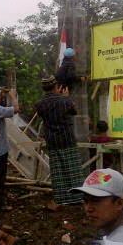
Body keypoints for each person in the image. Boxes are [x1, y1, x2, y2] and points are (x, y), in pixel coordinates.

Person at [34, 76, 82, 210]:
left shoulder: (40, 104)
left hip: (52, 141)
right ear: (56, 87)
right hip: (67, 139)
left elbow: (43, 117)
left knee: (58, 171)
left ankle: (61, 198)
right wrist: (66, 97)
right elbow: (74, 111)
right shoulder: (64, 101)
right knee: (72, 169)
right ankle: (77, 197)